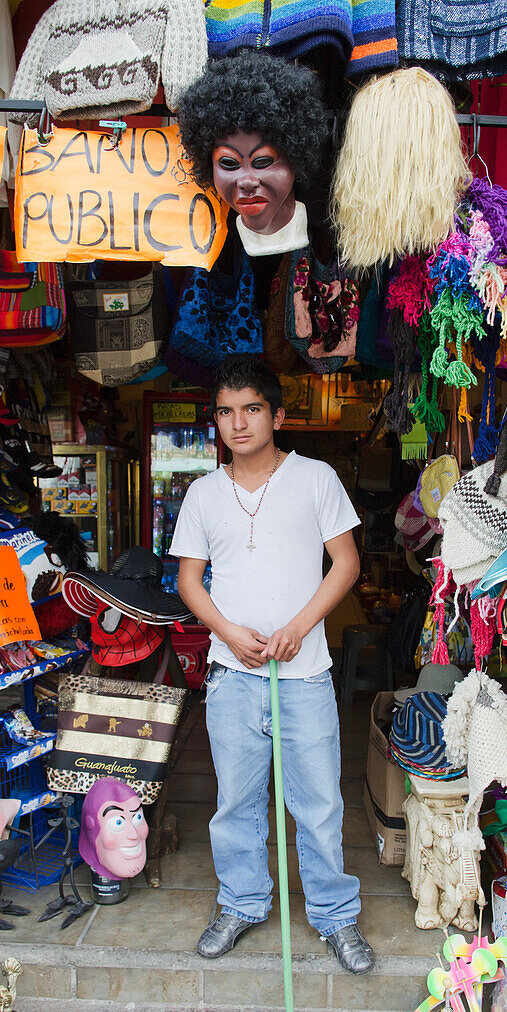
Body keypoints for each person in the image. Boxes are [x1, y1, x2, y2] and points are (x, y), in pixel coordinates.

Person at [171, 357, 374, 974]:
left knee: (317, 802)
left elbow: (347, 564)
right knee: (235, 800)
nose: (239, 423)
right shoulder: (203, 492)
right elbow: (188, 580)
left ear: (277, 416)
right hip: (233, 676)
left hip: (305, 673)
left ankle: (335, 917)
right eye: (227, 412)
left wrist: (298, 628)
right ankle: (241, 902)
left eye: (252, 409)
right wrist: (228, 633)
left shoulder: (316, 479)